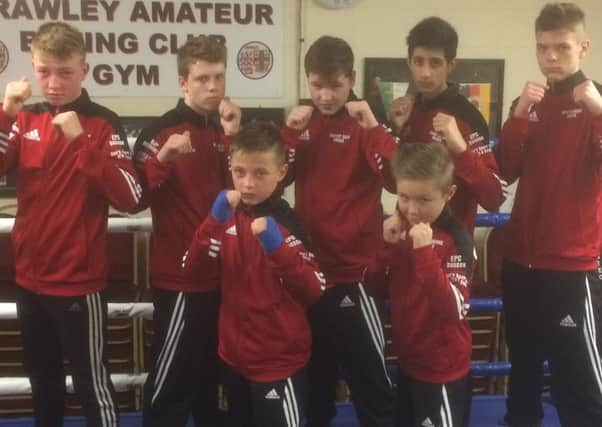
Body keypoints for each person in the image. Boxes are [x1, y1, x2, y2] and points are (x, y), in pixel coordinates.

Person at [0, 22, 142, 426]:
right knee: (42, 383)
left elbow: (131, 197)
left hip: (79, 282)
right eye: (44, 71)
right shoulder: (25, 118)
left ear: (84, 69)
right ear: (32, 67)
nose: (53, 82)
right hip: (30, 279)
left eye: (64, 72)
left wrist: (82, 142)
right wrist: (4, 114)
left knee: (91, 384)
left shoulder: (102, 123)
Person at [281, 35, 397, 426]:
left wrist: (377, 128)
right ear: (307, 81)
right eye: (317, 85)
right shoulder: (304, 122)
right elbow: (276, 179)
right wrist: (287, 136)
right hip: (310, 272)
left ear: (351, 79)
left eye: (335, 85)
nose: (326, 95)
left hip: (354, 275)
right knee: (315, 377)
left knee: (369, 378)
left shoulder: (365, 125)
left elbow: (399, 181)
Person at [496, 3, 602, 426]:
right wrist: (518, 116)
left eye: (562, 47)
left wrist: (599, 112)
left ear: (583, 46)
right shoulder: (529, 104)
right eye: (543, 48)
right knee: (522, 366)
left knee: (576, 374)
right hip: (520, 259)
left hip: (570, 265)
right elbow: (505, 170)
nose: (551, 57)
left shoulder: (597, 102)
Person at [183, 120, 325, 427]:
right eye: (239, 172)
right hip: (234, 357)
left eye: (260, 173)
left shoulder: (289, 223)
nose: (248, 183)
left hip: (278, 361)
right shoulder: (224, 217)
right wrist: (212, 222)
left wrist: (278, 248)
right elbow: (192, 271)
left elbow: (315, 290)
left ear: (281, 173)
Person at [133, 35, 240, 427]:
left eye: (218, 77)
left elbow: (248, 194)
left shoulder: (229, 129)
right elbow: (133, 200)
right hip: (180, 277)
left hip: (227, 276)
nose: (213, 87)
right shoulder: (160, 131)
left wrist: (233, 139)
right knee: (172, 376)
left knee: (213, 376)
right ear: (183, 82)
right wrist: (162, 160)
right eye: (202, 79)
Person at [367, 142, 474, 427]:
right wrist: (386, 248)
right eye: (404, 197)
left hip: (443, 367)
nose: (412, 209)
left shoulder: (457, 240)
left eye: (424, 200)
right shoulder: (399, 227)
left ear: (449, 193)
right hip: (408, 359)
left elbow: (454, 308)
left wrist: (425, 253)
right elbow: (375, 287)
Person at [389, 17, 505, 234]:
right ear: (409, 62)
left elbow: (494, 196)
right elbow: (391, 184)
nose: (425, 72)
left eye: (435, 63)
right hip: (407, 245)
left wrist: (460, 149)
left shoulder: (467, 117)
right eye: (418, 61)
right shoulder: (405, 113)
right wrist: (398, 134)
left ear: (450, 65)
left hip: (452, 252)